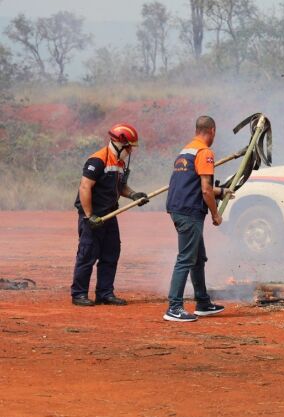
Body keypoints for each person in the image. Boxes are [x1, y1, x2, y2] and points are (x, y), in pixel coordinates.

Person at [163, 115, 232, 322]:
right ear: (212, 131)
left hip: (179, 208)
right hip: (189, 211)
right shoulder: (205, 153)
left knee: (198, 258)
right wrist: (216, 214)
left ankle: (202, 302)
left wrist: (221, 191)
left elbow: (191, 184)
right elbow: (205, 190)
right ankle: (174, 307)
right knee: (186, 259)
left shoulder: (186, 150)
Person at [71, 123, 149, 306]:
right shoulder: (97, 160)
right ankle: (79, 294)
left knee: (111, 253)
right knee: (87, 254)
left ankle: (105, 293)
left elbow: (120, 187)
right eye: (129, 146)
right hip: (92, 216)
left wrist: (133, 195)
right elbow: (84, 187)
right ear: (119, 143)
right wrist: (89, 216)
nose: (131, 150)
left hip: (110, 214)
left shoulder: (119, 163)